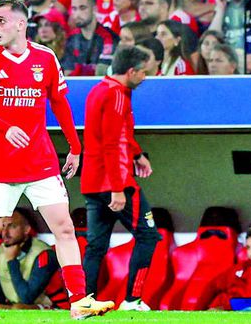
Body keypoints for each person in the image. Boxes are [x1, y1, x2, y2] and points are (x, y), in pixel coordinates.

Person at [0, 0, 115, 320]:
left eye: (1, 21)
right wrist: (5, 128)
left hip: (39, 162)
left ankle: (79, 302)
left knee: (65, 228)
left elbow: (59, 103)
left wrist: (75, 146)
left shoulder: (45, 58)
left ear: (21, 23)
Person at [81, 46, 159, 311]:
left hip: (92, 181)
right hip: (114, 182)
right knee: (148, 235)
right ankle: (132, 299)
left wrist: (137, 154)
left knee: (95, 246)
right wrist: (117, 189)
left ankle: (84, 302)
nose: (146, 78)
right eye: (144, 73)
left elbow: (120, 134)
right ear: (131, 71)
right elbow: (112, 145)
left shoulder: (101, 90)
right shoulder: (116, 96)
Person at [61, 0, 119, 76]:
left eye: (82, 8)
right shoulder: (71, 38)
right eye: (74, 9)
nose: (77, 14)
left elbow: (102, 72)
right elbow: (68, 73)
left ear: (94, 9)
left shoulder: (108, 38)